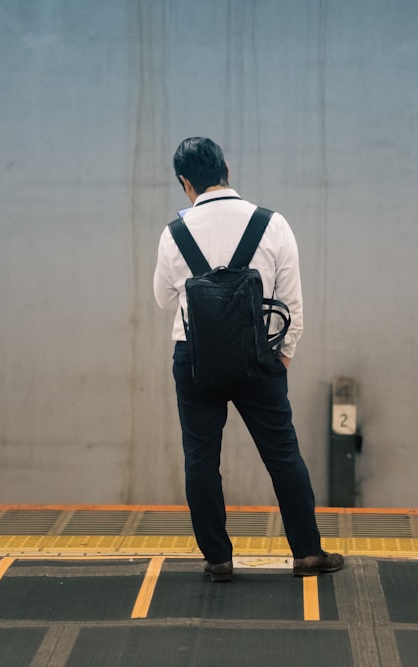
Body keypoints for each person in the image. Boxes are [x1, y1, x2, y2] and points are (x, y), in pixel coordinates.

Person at [153, 137, 344, 581]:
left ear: (185, 184)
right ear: (227, 169)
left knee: (200, 458)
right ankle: (307, 554)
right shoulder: (271, 224)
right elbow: (292, 303)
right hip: (259, 355)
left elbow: (164, 299)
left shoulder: (174, 233)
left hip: (195, 359)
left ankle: (218, 559)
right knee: (282, 454)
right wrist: (284, 359)